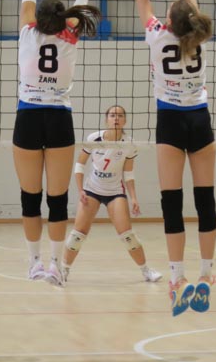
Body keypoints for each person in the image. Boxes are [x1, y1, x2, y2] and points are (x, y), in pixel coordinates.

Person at [122, 0, 216, 316]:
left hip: (170, 120)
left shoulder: (156, 34)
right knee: (205, 199)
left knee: (171, 200)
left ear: (169, 21)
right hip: (199, 117)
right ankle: (206, 273)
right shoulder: (198, 35)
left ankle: (177, 277)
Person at [13, 0, 105, 286]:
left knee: (29, 197)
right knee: (57, 198)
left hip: (28, 117)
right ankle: (55, 266)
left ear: (38, 18)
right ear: (65, 18)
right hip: (59, 118)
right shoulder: (71, 34)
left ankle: (33, 263)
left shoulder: (27, 31)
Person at [62, 105, 163, 282]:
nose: (116, 118)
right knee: (78, 234)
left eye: (120, 115)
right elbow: (79, 165)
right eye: (112, 115)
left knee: (127, 235)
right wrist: (80, 190)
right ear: (106, 119)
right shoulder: (94, 138)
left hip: (115, 191)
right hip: (92, 190)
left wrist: (134, 198)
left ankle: (146, 271)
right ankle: (63, 270)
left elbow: (128, 174)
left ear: (125, 120)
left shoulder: (129, 144)